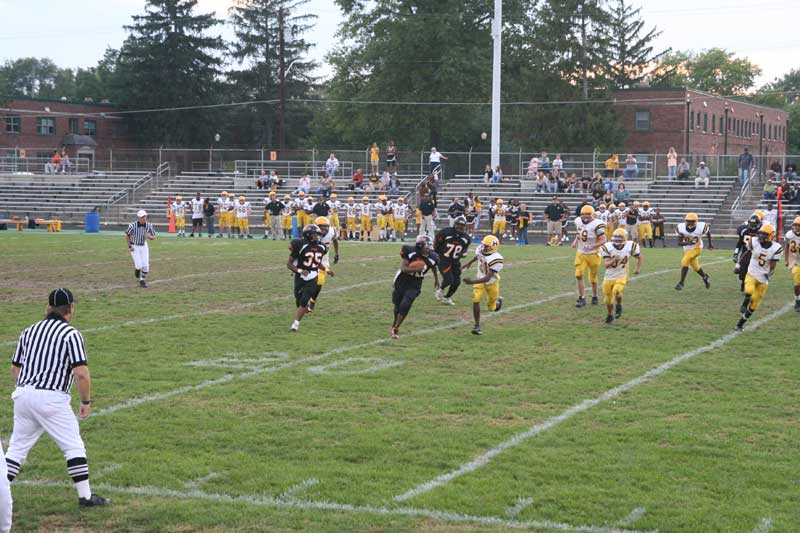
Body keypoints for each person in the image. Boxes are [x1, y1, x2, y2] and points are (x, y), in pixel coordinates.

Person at [6, 288, 110, 509]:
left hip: (23, 393)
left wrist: (27, 392)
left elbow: (15, 368)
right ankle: (85, 497)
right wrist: (85, 402)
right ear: (70, 309)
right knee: (73, 447)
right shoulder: (71, 334)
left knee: (16, 449)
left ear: (48, 307)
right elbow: (80, 373)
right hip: (51, 398)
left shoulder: (29, 331)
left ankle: (1, 494)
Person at [390, 235, 440, 339]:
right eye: (427, 246)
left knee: (406, 303)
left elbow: (433, 265)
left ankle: (396, 327)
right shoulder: (410, 251)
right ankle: (396, 322)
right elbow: (403, 269)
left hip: (416, 282)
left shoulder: (433, 256)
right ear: (420, 247)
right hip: (402, 279)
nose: (429, 249)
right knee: (397, 305)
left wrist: (436, 279)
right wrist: (416, 269)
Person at [736, 224, 782, 331]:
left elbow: (773, 264)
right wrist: (738, 265)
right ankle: (746, 300)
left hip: (763, 278)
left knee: (754, 305)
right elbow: (746, 252)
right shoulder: (753, 241)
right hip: (752, 272)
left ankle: (740, 325)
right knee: (748, 290)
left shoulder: (777, 248)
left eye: (764, 235)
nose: (761, 236)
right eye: (760, 234)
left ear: (771, 236)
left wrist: (769, 274)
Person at [287, 224, 327, 332]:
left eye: (317, 234)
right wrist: (300, 271)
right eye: (314, 234)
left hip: (313, 276)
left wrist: (326, 270)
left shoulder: (322, 247)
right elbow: (289, 264)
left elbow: (316, 263)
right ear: (308, 235)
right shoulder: (300, 244)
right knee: (299, 301)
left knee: (304, 301)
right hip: (300, 276)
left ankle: (295, 325)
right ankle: (302, 308)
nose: (317, 237)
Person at [463, 235, 504, 335]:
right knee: (476, 299)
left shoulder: (497, 258)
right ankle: (477, 326)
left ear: (492, 247)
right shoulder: (481, 250)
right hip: (479, 281)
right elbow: (478, 256)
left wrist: (471, 282)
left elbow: (487, 278)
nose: (483, 247)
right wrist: (468, 263)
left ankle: (498, 302)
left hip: (491, 283)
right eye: (483, 245)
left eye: (486, 246)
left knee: (492, 308)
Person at [600, 229, 642, 324]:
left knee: (617, 290)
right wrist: (614, 259)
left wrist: (637, 269)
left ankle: (618, 305)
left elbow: (640, 257)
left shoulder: (630, 246)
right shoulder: (607, 247)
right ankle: (610, 315)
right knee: (608, 300)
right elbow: (606, 265)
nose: (617, 240)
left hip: (622, 274)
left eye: (620, 238)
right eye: (616, 237)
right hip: (609, 276)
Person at [572, 205, 607, 308]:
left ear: (593, 215)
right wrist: (575, 241)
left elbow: (603, 240)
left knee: (593, 277)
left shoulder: (597, 224)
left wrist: (592, 246)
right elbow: (579, 233)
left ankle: (595, 296)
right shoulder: (578, 221)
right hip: (581, 253)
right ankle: (581, 298)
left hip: (593, 254)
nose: (585, 216)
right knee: (578, 274)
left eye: (587, 214)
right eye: (583, 214)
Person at [434, 216, 470, 305]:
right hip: (443, 260)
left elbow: (464, 250)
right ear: (455, 224)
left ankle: (447, 297)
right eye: (458, 224)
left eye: (462, 225)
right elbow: (436, 243)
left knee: (457, 282)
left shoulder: (466, 238)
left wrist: (463, 254)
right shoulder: (446, 232)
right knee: (449, 279)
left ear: (464, 226)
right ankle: (440, 289)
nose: (460, 226)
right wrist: (436, 254)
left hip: (455, 261)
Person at [307, 216, 339, 312]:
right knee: (309, 281)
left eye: (325, 227)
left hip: (323, 261)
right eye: (321, 227)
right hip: (311, 260)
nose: (323, 229)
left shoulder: (332, 231)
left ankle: (312, 301)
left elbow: (335, 241)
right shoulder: (311, 233)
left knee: (319, 282)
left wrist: (337, 254)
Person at [675, 213, 713, 291]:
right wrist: (689, 243)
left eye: (692, 221)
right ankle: (705, 277)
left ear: (696, 222)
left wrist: (710, 244)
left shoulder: (701, 227)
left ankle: (681, 283)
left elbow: (708, 233)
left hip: (697, 248)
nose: (690, 223)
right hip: (687, 249)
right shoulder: (681, 227)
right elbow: (679, 243)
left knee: (685, 261)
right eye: (688, 221)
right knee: (696, 267)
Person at [126, 210, 156, 287]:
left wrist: (149, 237)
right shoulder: (132, 226)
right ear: (138, 218)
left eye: (145, 216)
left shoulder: (149, 225)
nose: (144, 218)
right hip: (134, 245)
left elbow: (154, 236)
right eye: (142, 217)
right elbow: (127, 235)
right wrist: (129, 246)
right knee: (139, 265)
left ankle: (142, 279)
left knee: (146, 266)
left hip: (143, 245)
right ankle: (137, 270)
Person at [733, 213, 763, 292]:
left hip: (757, 254)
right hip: (745, 252)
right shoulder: (744, 230)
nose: (753, 226)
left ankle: (753, 285)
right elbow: (739, 243)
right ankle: (743, 283)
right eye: (751, 224)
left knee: (756, 272)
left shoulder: (762, 231)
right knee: (742, 273)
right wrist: (736, 254)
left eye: (755, 224)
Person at [784, 217, 800, 312]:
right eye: (795, 225)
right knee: (797, 283)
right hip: (795, 262)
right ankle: (797, 301)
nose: (796, 227)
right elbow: (786, 246)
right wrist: (786, 259)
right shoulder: (789, 235)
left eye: (798, 226)